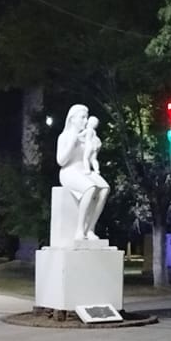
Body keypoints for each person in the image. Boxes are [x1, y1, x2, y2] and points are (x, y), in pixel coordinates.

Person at [55, 103, 110, 243]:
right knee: (90, 188)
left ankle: (90, 228)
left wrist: (96, 147)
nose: (85, 121)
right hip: (69, 171)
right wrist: (72, 144)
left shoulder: (86, 137)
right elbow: (61, 161)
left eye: (86, 117)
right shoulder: (64, 136)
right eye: (82, 117)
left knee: (105, 188)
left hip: (84, 170)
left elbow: (90, 158)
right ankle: (79, 229)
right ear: (72, 119)